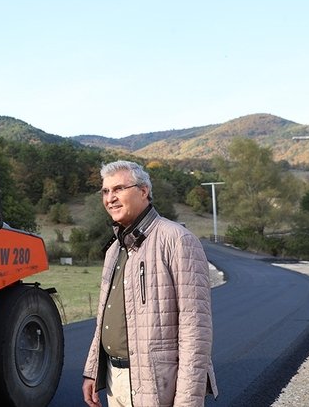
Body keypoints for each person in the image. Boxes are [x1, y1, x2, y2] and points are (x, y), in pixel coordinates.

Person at [82, 160, 217, 407]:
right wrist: (93, 371)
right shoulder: (114, 249)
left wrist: (187, 402)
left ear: (143, 191)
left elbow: (196, 332)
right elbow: (103, 318)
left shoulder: (177, 239)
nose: (110, 198)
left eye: (119, 189)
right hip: (114, 379)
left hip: (156, 384)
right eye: (105, 191)